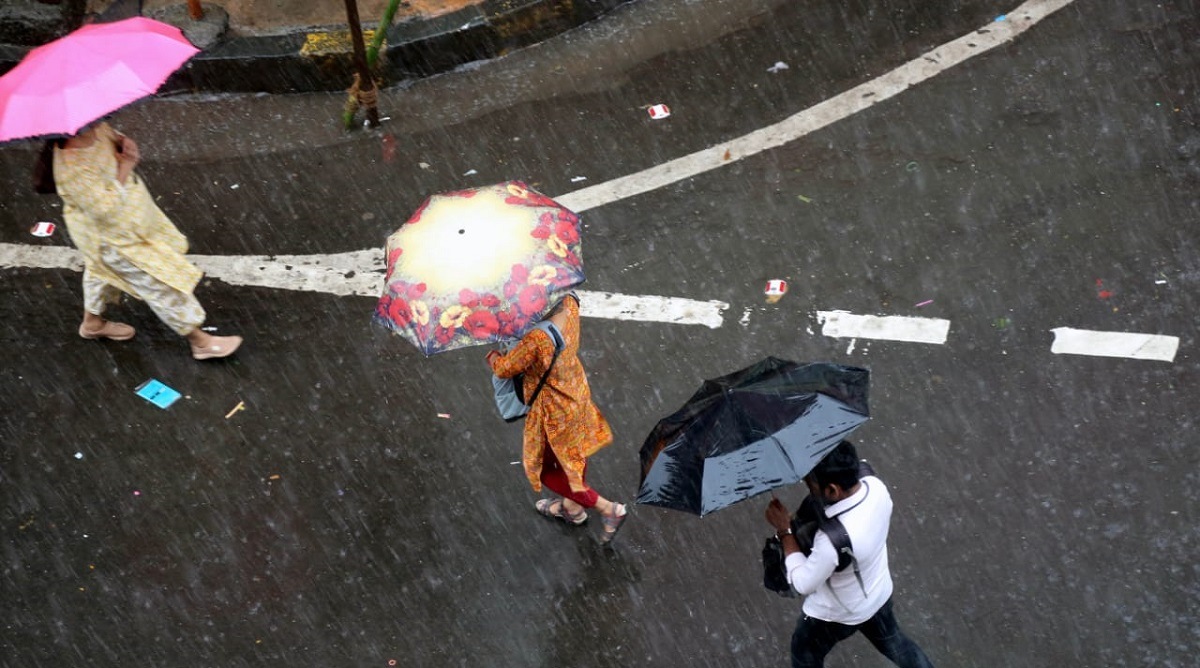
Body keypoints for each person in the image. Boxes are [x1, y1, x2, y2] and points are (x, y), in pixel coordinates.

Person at [49, 121, 241, 360]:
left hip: (127, 224)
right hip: (112, 238)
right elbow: (104, 209)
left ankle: (93, 323)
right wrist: (127, 165)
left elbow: (115, 144)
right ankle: (200, 341)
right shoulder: (72, 167)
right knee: (157, 282)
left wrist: (123, 143)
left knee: (101, 272)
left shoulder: (97, 128)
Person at [764, 440, 935, 668]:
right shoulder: (876, 486)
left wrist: (785, 530)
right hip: (878, 594)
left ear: (832, 490)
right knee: (899, 646)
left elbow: (803, 583)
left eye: (810, 482)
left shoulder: (831, 541)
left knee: (804, 653)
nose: (807, 485)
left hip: (836, 614)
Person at [486, 294, 628, 544]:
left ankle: (608, 509)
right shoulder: (570, 303)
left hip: (553, 410)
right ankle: (573, 509)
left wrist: (493, 358)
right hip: (575, 392)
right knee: (573, 456)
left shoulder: (536, 339)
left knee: (547, 470)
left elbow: (505, 369)